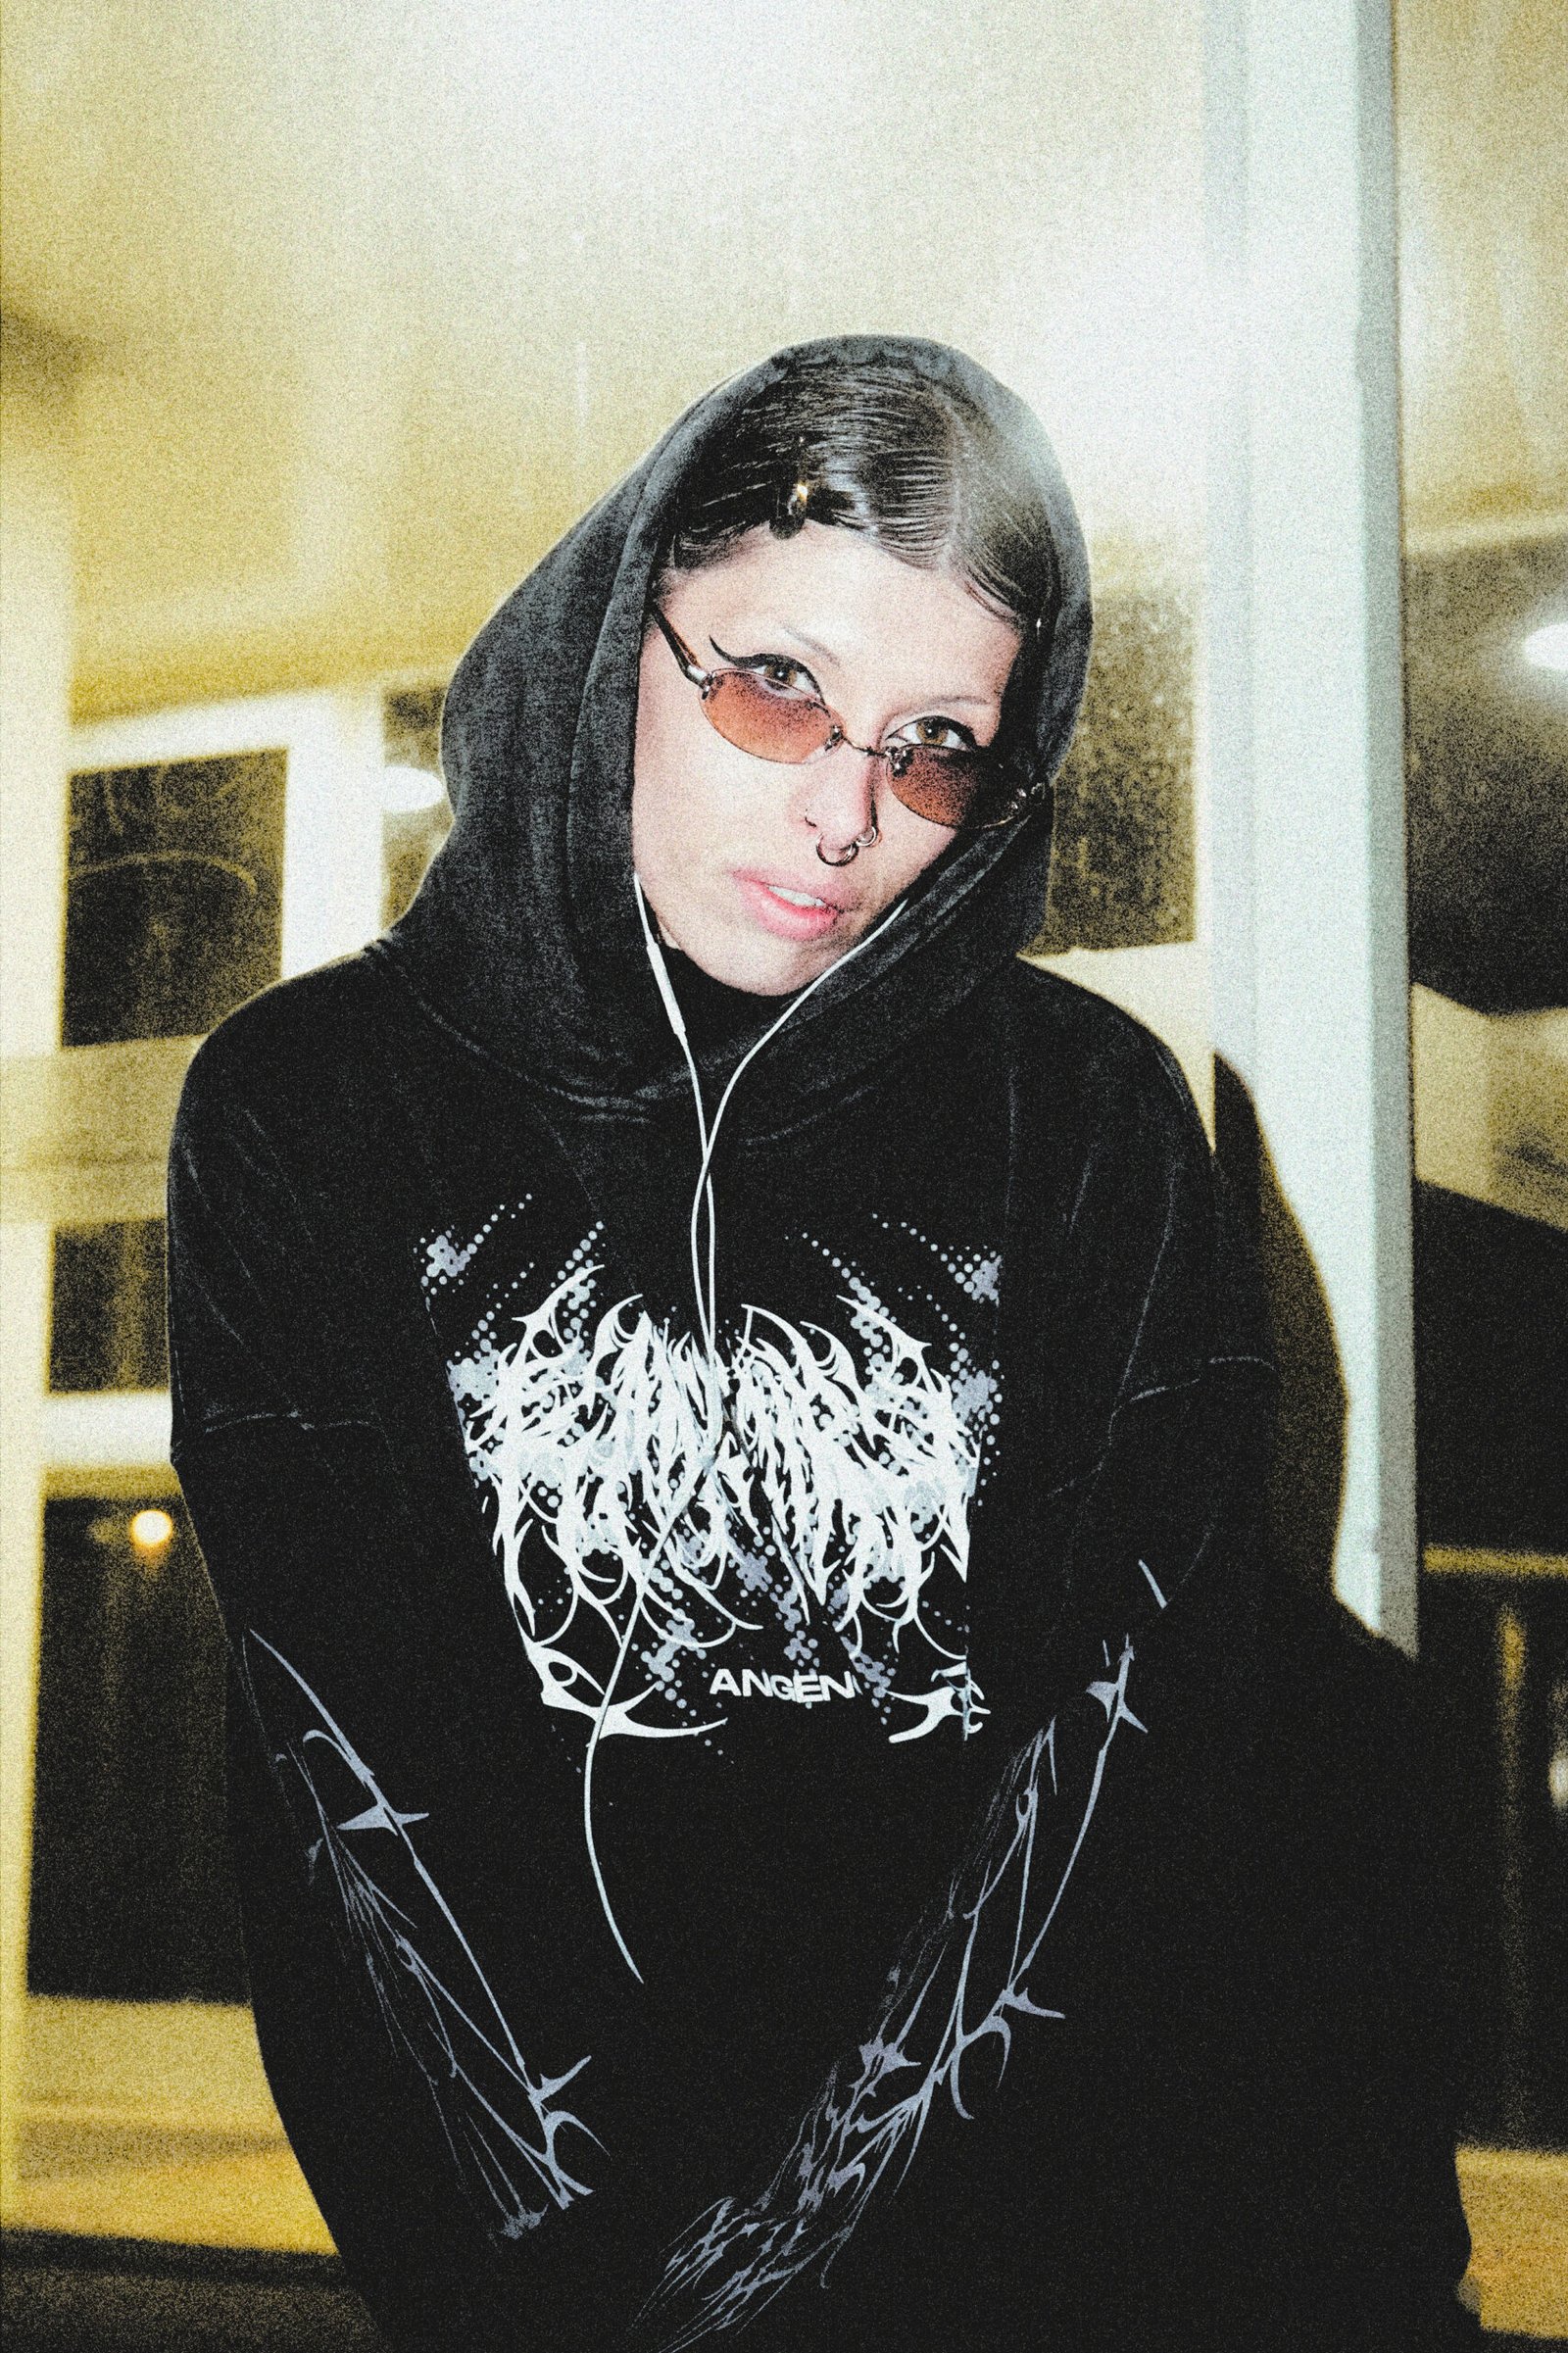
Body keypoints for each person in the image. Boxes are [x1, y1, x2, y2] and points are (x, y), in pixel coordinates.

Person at [167, 337, 1479, 2351]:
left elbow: (1120, 1760)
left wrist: (801, 2267)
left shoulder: (1085, 1117)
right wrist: (575, 2296)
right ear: (622, 628)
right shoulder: (315, 1105)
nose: (849, 812)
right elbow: (353, 1782)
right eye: (776, 686)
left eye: (937, 744)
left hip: (1062, 2259)